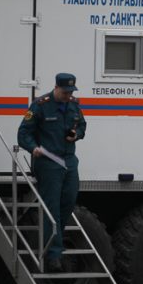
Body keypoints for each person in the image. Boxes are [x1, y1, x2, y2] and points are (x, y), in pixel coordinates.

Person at [17, 73, 87, 272]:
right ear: (56, 87)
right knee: (52, 207)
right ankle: (54, 254)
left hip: (69, 161)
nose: (68, 95)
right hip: (48, 162)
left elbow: (82, 125)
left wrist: (77, 135)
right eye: (65, 92)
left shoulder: (73, 105)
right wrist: (33, 148)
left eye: (71, 92)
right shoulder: (40, 105)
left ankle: (55, 243)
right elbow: (23, 134)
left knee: (68, 202)